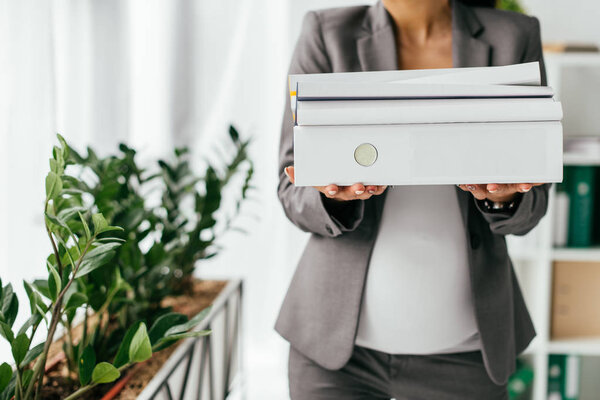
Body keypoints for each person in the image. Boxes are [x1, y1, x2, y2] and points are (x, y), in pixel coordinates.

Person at [276, 0, 549, 399]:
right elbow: (290, 189)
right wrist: (335, 198)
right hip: (335, 357)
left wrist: (504, 198)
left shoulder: (513, 37)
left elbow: (534, 202)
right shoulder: (327, 32)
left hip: (467, 357)